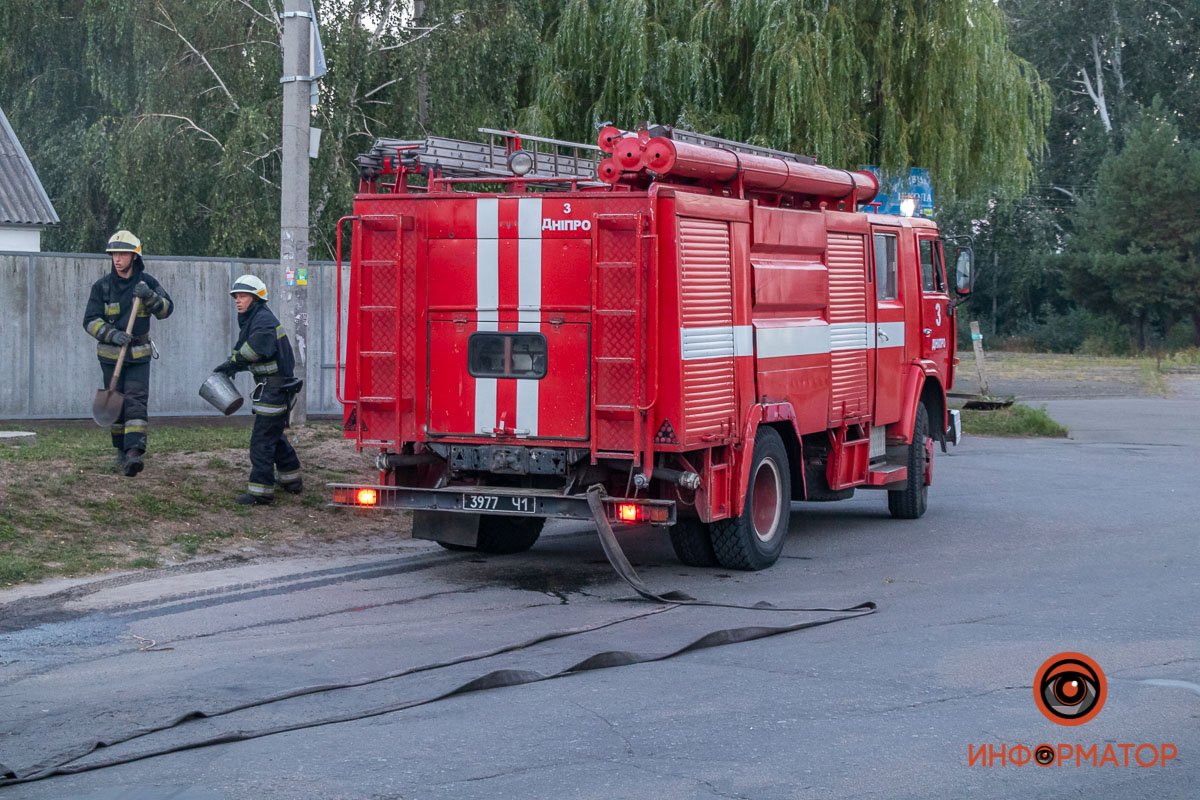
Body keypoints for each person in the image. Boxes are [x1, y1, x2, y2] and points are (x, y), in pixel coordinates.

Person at [83, 230, 174, 476]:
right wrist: (113, 334)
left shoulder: (147, 284)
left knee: (135, 401)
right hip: (110, 359)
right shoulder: (102, 287)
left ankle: (134, 453)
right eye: (114, 254)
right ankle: (121, 452)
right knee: (118, 406)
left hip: (139, 357)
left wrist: (151, 297)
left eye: (122, 254)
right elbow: (90, 321)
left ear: (134, 256)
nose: (117, 259)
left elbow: (166, 310)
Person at [213, 275, 303, 505]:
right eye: (236, 296)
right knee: (273, 434)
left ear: (256, 298)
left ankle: (260, 492)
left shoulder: (262, 322)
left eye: (242, 296)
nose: (237, 300)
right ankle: (291, 479)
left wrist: (232, 364)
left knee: (261, 441)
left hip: (274, 389)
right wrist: (233, 362)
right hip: (274, 388)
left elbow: (253, 351)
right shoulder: (257, 319)